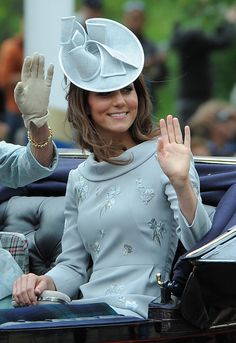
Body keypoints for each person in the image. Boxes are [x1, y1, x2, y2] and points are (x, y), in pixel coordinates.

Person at [13, 17, 212, 319]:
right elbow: (73, 266)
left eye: (128, 90)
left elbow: (201, 246)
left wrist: (182, 182)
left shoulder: (168, 157)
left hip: (145, 313)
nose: (120, 101)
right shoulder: (79, 179)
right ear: (85, 103)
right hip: (89, 311)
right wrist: (44, 282)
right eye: (106, 93)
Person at [170, 5, 236, 126]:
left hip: (186, 96)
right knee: (200, 134)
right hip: (199, 98)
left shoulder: (182, 38)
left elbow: (216, 39)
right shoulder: (196, 39)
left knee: (184, 134)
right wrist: (228, 22)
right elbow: (222, 41)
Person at [0, 52, 58, 187]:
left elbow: (33, 166)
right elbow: (5, 78)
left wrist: (38, 120)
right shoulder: (11, 48)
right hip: (11, 110)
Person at [122, 0, 168, 112]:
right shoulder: (117, 43)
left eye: (139, 17)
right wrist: (151, 62)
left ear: (144, 20)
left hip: (146, 104)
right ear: (125, 18)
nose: (135, 21)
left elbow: (161, 79)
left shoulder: (151, 46)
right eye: (133, 17)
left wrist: (161, 63)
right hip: (122, 102)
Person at [0, 21, 24, 143]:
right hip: (13, 108)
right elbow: (3, 79)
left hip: (27, 108)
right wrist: (24, 76)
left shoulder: (24, 46)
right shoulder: (11, 48)